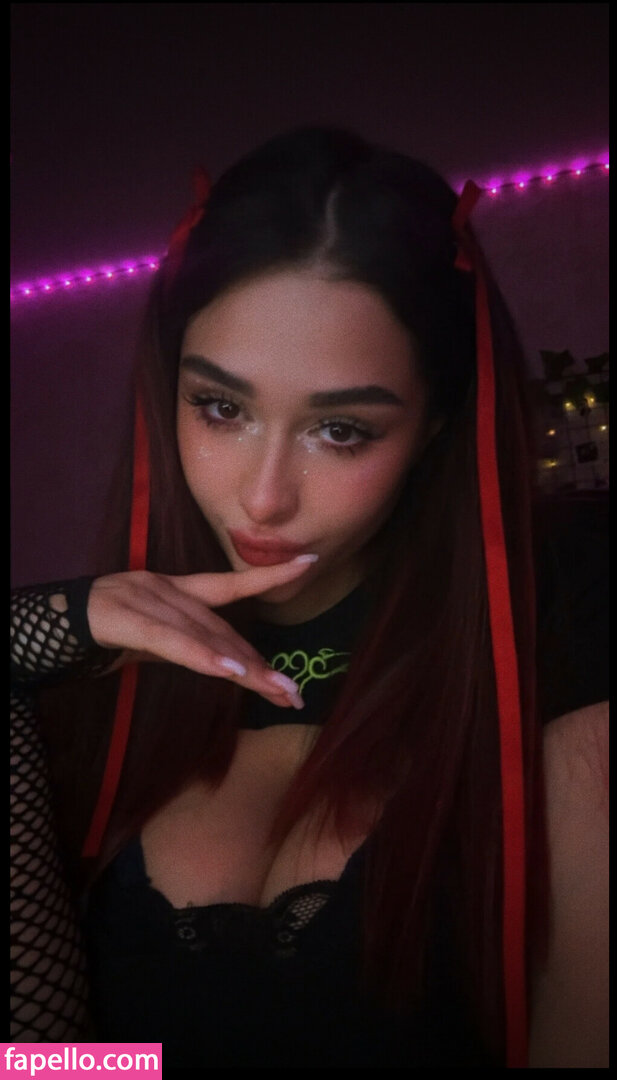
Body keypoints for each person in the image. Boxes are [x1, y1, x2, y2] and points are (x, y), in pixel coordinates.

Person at [10, 126, 608, 1067]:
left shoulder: (558, 628)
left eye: (339, 429)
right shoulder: (88, 692)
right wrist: (34, 634)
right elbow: (41, 1063)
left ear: (433, 427)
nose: (263, 498)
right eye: (221, 408)